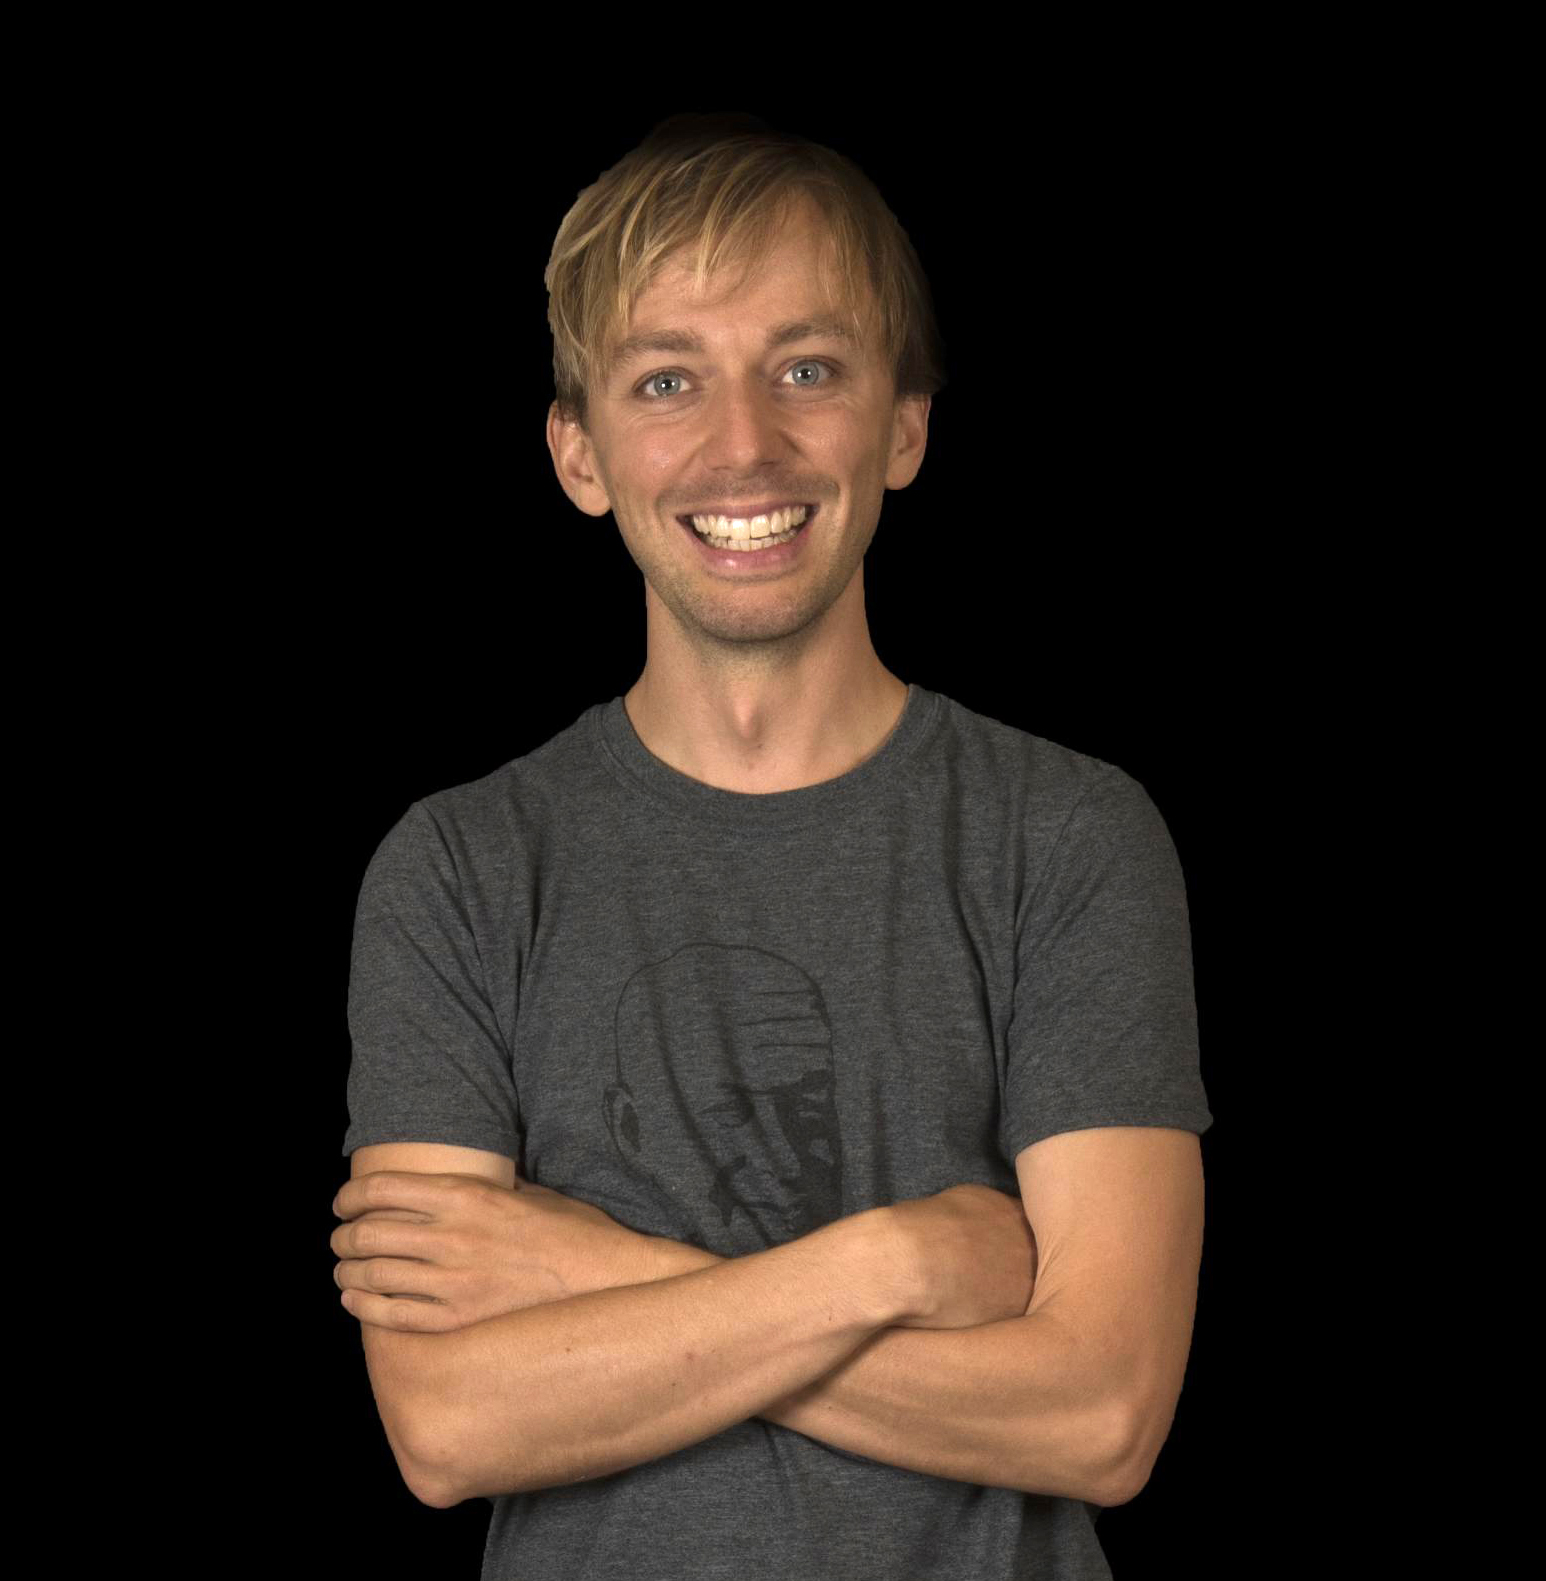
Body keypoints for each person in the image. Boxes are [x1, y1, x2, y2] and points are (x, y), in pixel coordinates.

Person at [332, 111, 1212, 1580]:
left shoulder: (1066, 839)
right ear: (578, 453)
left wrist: (592, 1275)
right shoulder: (460, 872)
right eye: (666, 380)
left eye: (806, 369)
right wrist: (896, 1262)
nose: (743, 444)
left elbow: (1101, 1416)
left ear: (904, 426)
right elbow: (448, 1424)